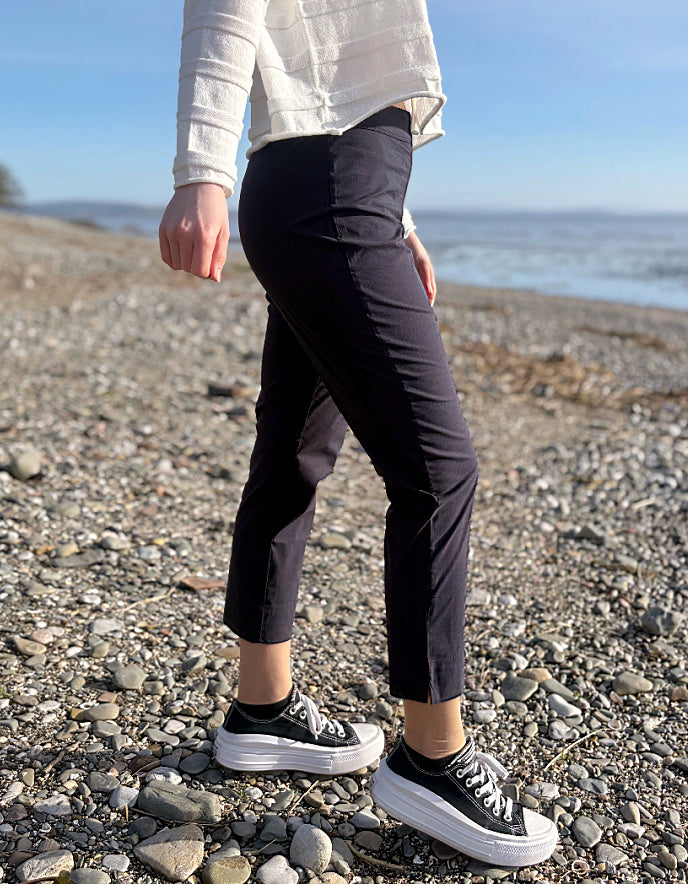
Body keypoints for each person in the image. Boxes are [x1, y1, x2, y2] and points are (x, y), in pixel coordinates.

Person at [159, 0, 558, 869]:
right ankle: (434, 759)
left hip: (338, 190)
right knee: (438, 472)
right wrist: (200, 171)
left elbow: (340, 73)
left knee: (293, 455)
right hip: (326, 189)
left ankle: (262, 709)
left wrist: (398, 219)